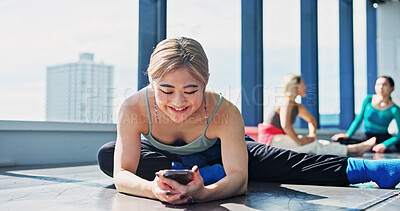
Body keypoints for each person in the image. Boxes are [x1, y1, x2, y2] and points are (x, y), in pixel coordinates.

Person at [97, 37, 400, 205]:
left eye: (191, 90)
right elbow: (122, 173)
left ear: (206, 82)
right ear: (150, 82)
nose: (178, 102)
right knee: (109, 154)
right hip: (167, 160)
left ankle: (371, 168)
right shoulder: (133, 107)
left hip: (226, 153)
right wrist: (153, 189)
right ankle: (208, 172)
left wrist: (204, 192)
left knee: (283, 162)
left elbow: (239, 182)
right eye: (165, 90)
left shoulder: (224, 111)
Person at [258, 74, 376, 156]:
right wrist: (299, 141)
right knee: (313, 146)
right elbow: (286, 125)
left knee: (316, 143)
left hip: (280, 139)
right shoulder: (286, 101)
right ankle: (355, 149)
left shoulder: (297, 106)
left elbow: (312, 121)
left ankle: (353, 149)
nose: (305, 86)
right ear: (296, 85)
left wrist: (312, 135)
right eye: (303, 83)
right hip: (271, 141)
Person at [331, 76, 400, 153]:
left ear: (392, 88)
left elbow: (399, 134)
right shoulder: (368, 100)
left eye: (384, 84)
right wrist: (348, 135)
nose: (381, 87)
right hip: (366, 138)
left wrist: (384, 145)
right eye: (378, 84)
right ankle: (368, 147)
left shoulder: (395, 109)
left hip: (383, 138)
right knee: (339, 141)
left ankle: (374, 147)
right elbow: (359, 119)